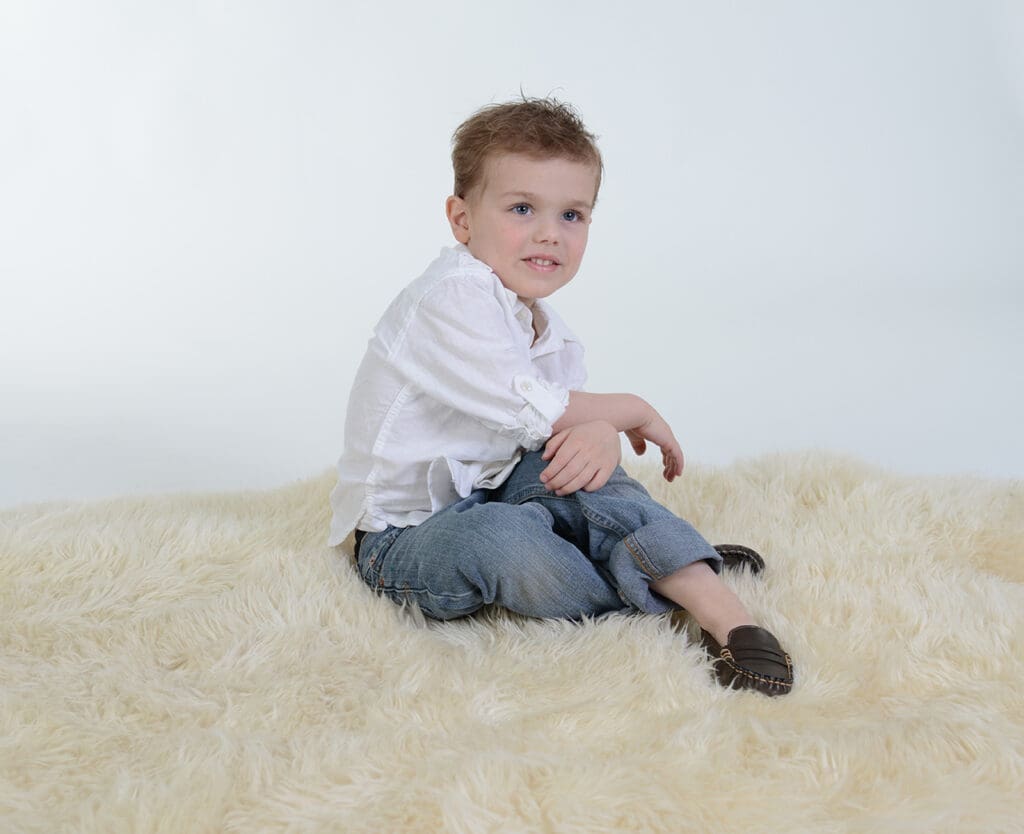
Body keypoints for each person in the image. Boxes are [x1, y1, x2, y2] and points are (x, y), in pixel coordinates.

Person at [329, 97, 793, 696]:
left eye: (572, 215)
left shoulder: (549, 330)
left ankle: (723, 611)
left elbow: (557, 424)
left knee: (592, 479)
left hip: (495, 483)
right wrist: (631, 409)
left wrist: (598, 434)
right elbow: (531, 408)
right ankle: (658, 569)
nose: (550, 233)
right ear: (462, 219)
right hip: (406, 537)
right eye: (522, 208)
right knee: (504, 543)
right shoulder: (450, 297)